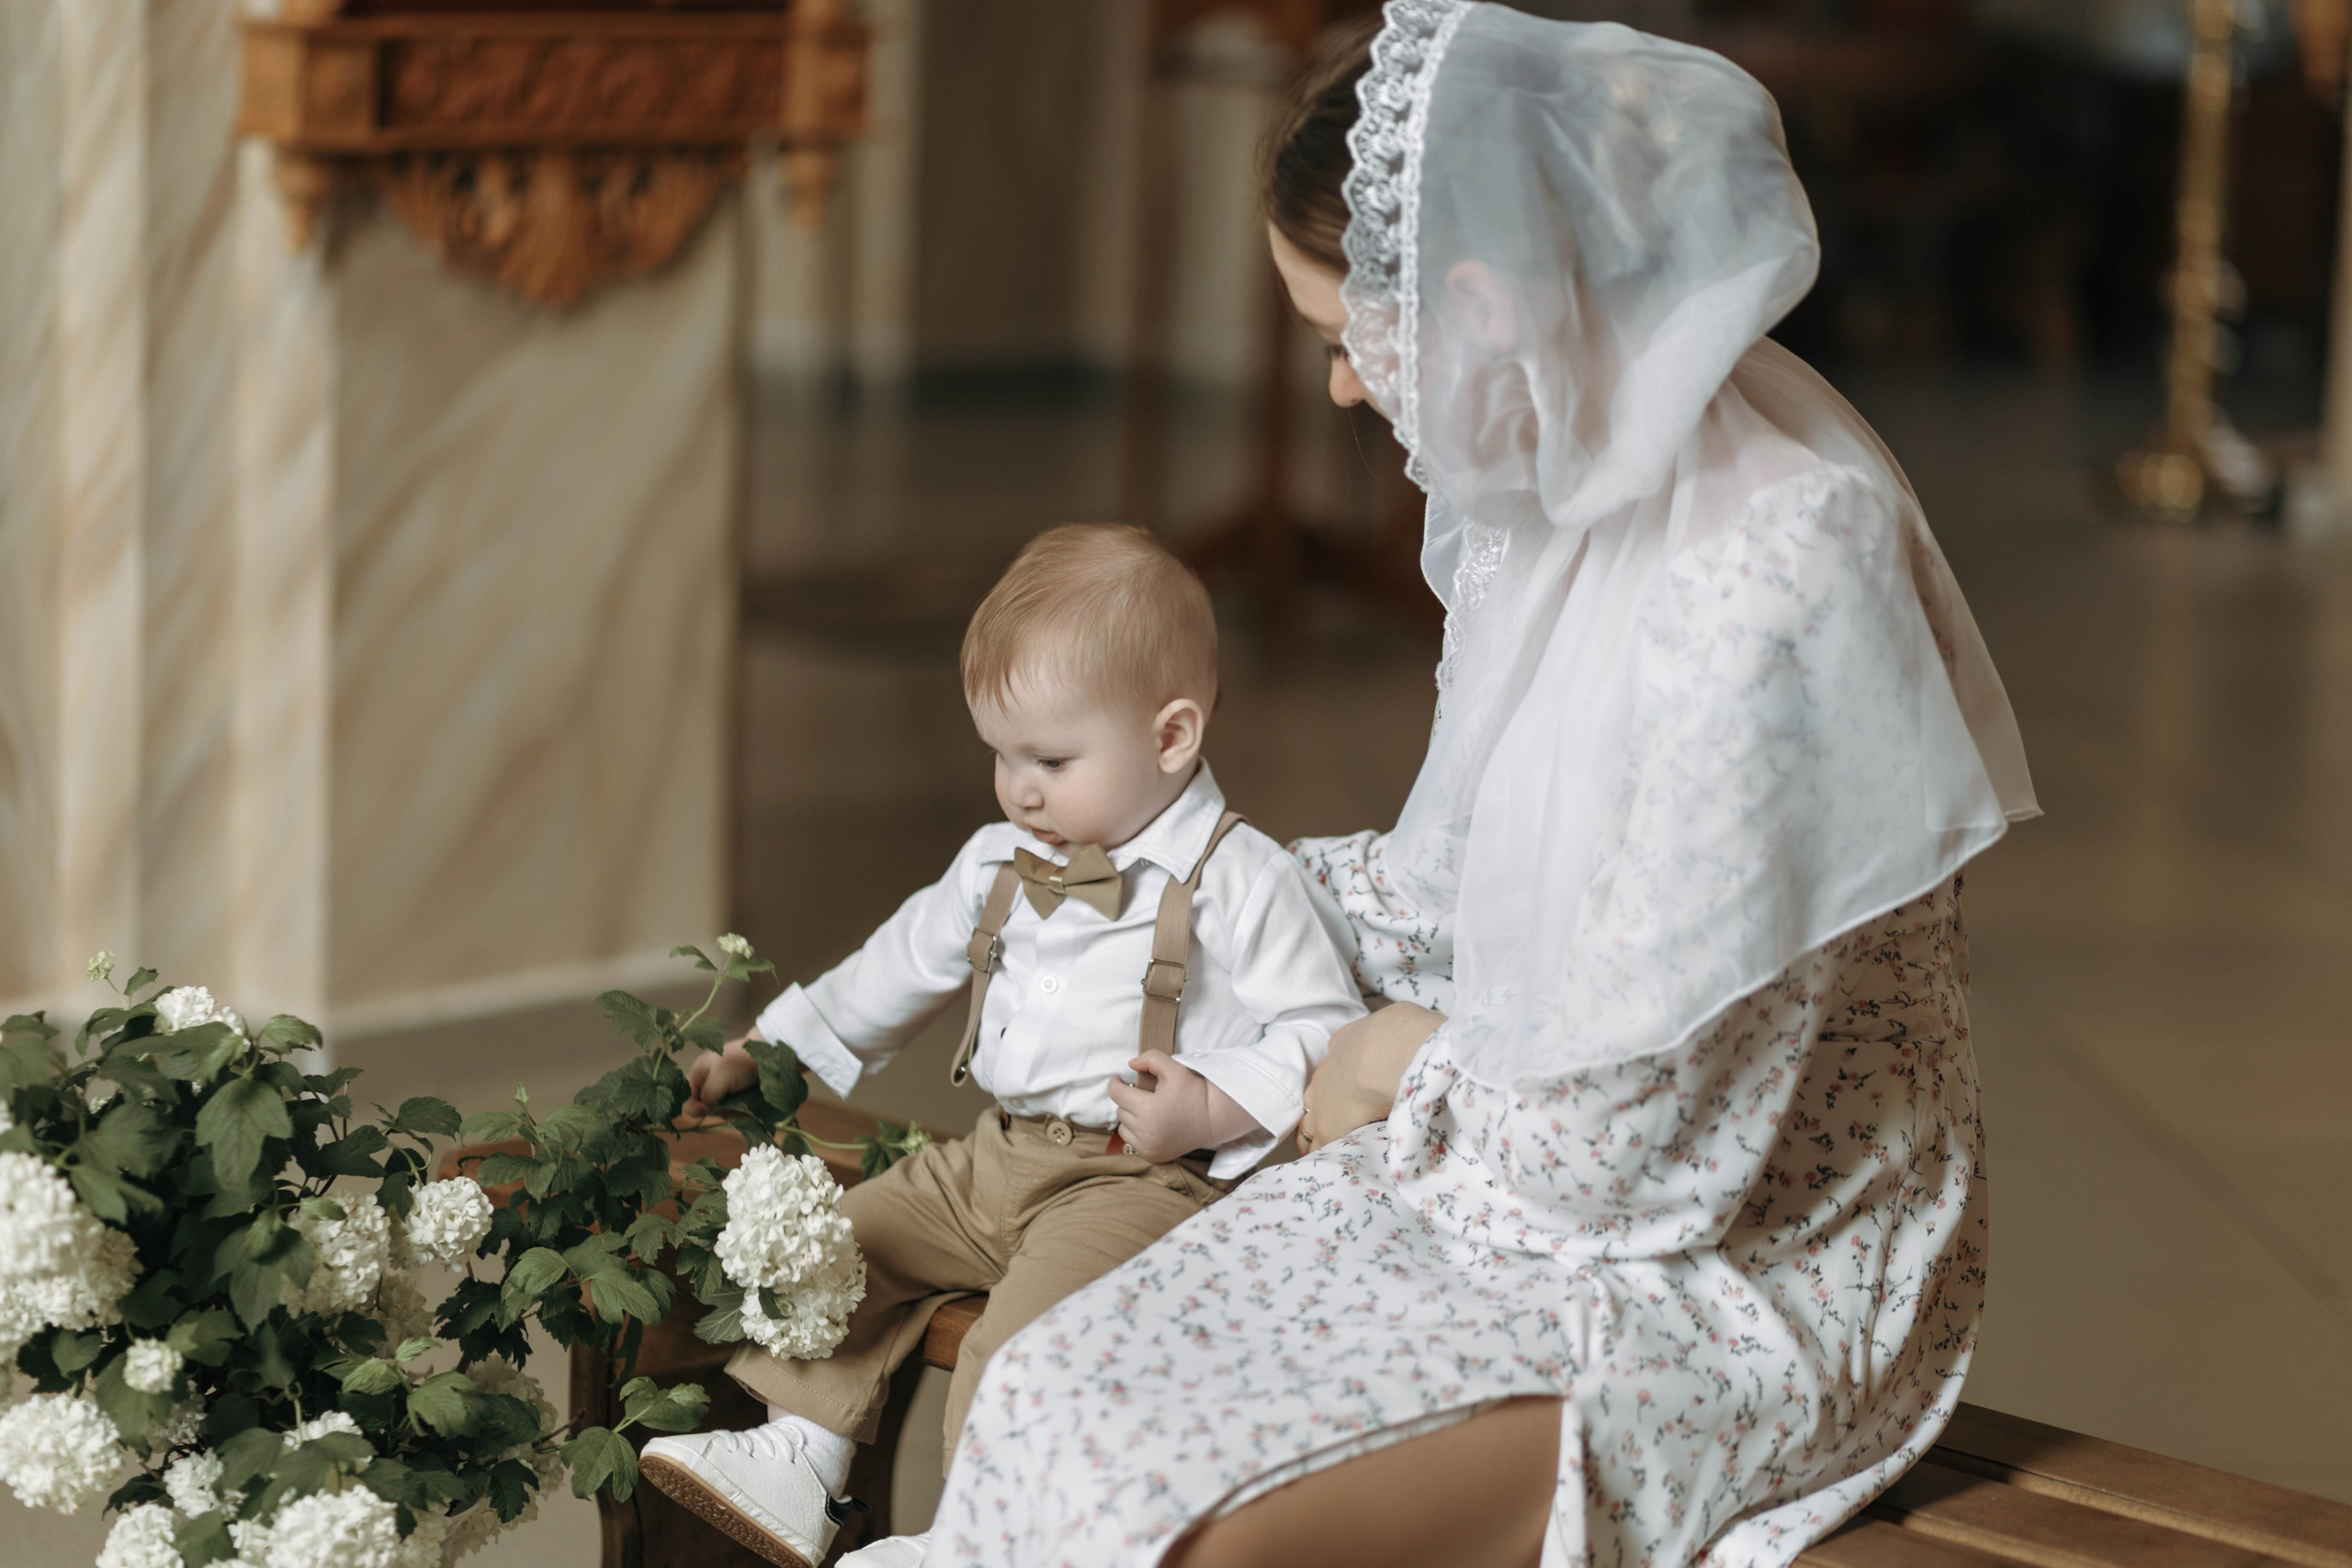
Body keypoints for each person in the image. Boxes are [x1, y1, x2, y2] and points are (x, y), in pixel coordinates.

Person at [922, 6, 2039, 1566]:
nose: (1338, 394)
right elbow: (1451, 893)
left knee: (1179, 1525)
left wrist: (1386, 1059)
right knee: (1042, 1393)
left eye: (1336, 339)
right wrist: (1177, 885)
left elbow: (1635, 1154)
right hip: (1508, 1138)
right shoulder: (1556, 477)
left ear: (1469, 303)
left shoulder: (1787, 565)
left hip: (1736, 1254)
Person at [639, 524, 1367, 1568]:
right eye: (1001, 755)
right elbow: (887, 971)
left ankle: (980, 1538)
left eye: (1051, 760)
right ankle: (799, 1456)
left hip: (1135, 1182)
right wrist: (768, 1048)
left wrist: (1208, 1103)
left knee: (1020, 1345)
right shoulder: (998, 861)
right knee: (844, 1246)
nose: (1019, 788)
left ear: (1170, 739)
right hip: (994, 1155)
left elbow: (1329, 1036)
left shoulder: (1238, 878)